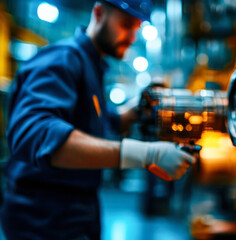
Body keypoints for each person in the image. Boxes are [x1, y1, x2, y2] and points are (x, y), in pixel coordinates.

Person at [0, 0, 194, 239]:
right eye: (126, 25)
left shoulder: (92, 65)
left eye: (136, 29)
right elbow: (36, 135)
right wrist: (146, 154)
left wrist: (136, 109)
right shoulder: (63, 59)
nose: (132, 38)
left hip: (76, 212)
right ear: (99, 13)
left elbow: (102, 122)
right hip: (43, 219)